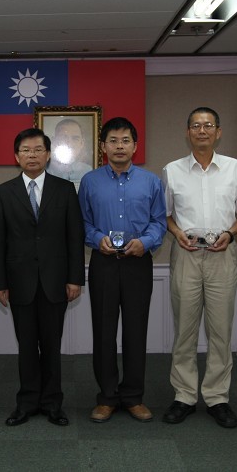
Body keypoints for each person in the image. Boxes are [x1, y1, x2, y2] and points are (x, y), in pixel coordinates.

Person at [161, 107, 237, 429]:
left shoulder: (234, 168)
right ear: (187, 132)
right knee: (185, 331)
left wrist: (230, 234)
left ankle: (217, 397)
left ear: (218, 132)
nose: (202, 131)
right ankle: (184, 396)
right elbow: (166, 214)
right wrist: (176, 234)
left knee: (220, 331)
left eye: (208, 126)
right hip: (186, 256)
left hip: (222, 256)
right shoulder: (172, 170)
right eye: (195, 126)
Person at [0, 128, 85, 427]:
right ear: (16, 156)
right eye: (26, 150)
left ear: (48, 154)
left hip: (56, 280)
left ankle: (53, 403)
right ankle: (27, 402)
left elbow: (74, 237)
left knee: (52, 346)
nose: (32, 155)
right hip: (19, 283)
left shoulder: (65, 189)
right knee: (27, 346)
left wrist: (75, 278)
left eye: (38, 150)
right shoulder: (3, 192)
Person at [78, 117, 167, 423]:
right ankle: (106, 397)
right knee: (103, 333)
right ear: (103, 146)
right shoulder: (90, 181)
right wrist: (94, 238)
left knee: (135, 332)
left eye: (125, 140)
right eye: (113, 141)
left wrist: (146, 242)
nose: (119, 146)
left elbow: (159, 222)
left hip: (137, 263)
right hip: (103, 263)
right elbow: (83, 222)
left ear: (135, 146)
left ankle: (132, 396)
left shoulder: (151, 182)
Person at [47, 118, 93, 184]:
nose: (69, 143)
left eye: (75, 138)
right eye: (63, 137)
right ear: (54, 141)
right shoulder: (44, 170)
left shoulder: (88, 171)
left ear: (82, 143)